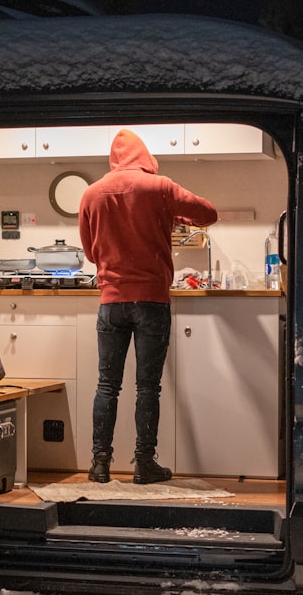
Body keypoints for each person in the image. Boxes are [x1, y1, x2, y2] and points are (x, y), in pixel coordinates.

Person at [79, 129, 217, 484]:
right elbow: (208, 214)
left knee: (107, 385)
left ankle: (99, 465)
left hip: (111, 301)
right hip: (152, 300)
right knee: (147, 387)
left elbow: (92, 252)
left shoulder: (91, 194)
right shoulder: (161, 188)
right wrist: (174, 215)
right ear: (146, 158)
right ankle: (144, 464)